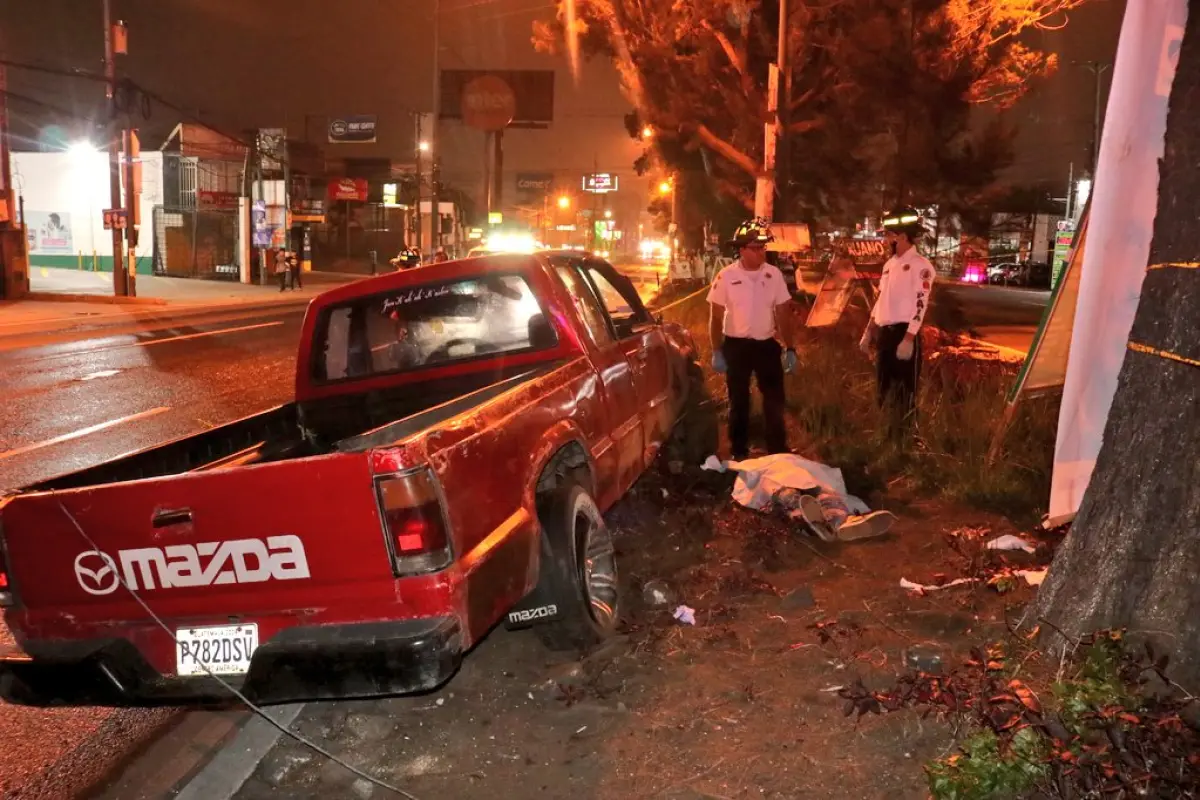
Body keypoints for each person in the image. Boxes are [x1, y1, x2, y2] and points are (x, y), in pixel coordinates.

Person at [707, 217, 798, 460]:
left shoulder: (774, 275)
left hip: (766, 345)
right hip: (736, 347)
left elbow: (783, 313)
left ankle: (778, 449)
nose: (761, 252)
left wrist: (790, 348)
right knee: (739, 400)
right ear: (742, 250)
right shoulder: (726, 276)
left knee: (774, 399)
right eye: (756, 248)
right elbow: (715, 317)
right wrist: (716, 350)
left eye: (763, 247)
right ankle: (738, 450)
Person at [858, 206, 934, 431]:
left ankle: (906, 440)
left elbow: (921, 305)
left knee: (904, 394)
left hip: (904, 334)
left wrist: (909, 338)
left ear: (900, 236)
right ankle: (885, 436)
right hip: (885, 334)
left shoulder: (920, 266)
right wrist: (869, 331)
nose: (884, 239)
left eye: (887, 235)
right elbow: (882, 299)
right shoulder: (890, 265)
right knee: (882, 390)